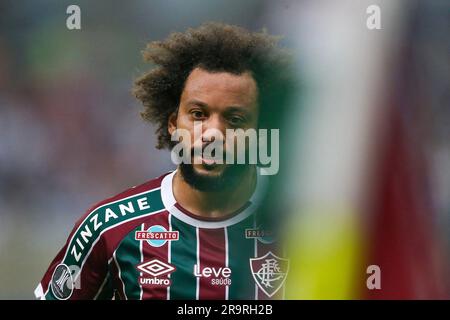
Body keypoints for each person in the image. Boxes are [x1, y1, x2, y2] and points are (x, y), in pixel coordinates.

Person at [35, 22, 291, 300]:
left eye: (235, 119)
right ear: (172, 123)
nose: (213, 134)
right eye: (197, 114)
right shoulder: (108, 226)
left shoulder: (301, 227)